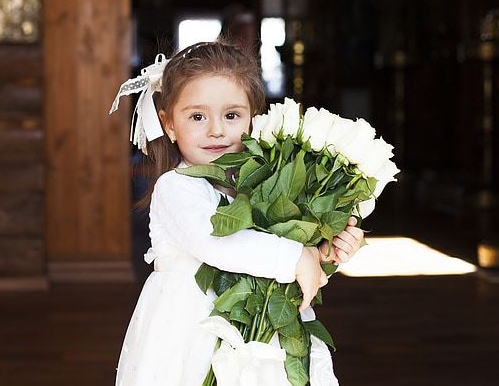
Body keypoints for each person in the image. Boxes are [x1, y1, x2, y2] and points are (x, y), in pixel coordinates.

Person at [109, 41, 364, 386]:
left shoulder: (262, 186)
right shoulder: (177, 187)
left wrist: (321, 254)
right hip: (192, 333)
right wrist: (295, 257)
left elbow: (280, 262)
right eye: (197, 117)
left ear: (253, 118)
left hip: (264, 336)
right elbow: (216, 243)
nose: (216, 130)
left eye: (231, 116)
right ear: (169, 124)